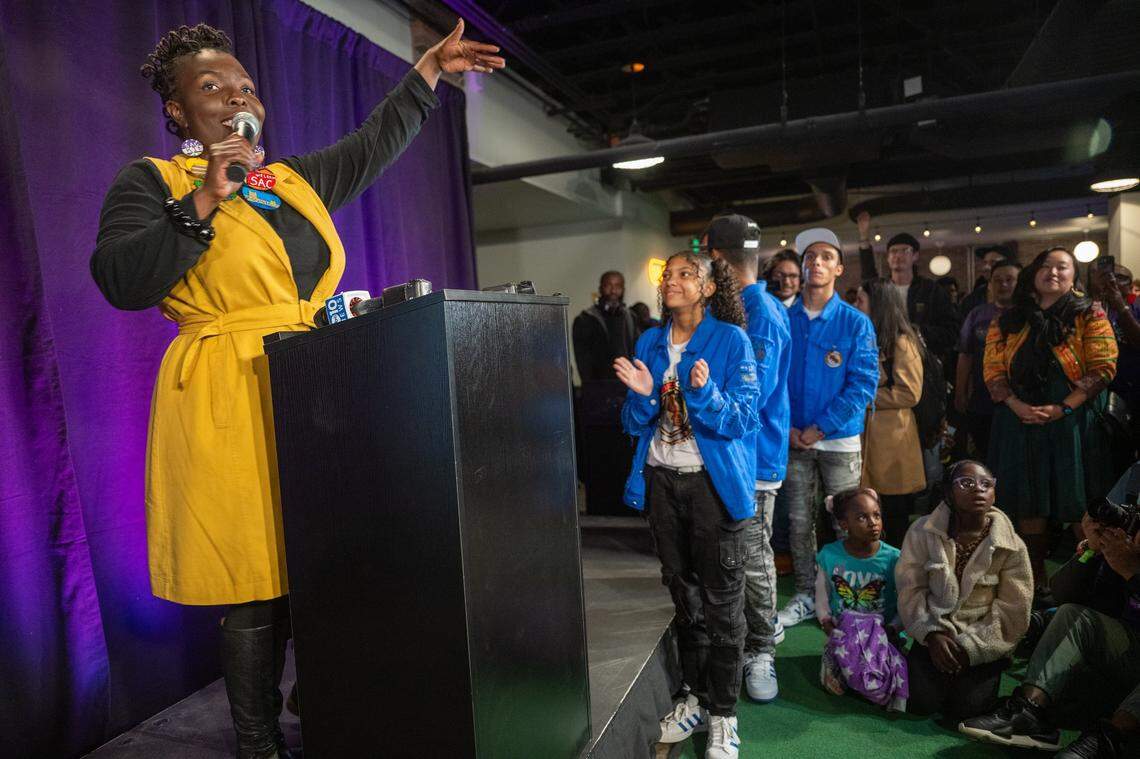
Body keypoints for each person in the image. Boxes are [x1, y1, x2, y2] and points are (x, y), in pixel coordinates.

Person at [89, 22, 503, 759]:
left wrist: (430, 71)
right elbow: (121, 278)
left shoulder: (287, 183)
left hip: (315, 386)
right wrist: (207, 200)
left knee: (324, 558)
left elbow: (373, 144)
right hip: (229, 393)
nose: (235, 96)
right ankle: (257, 741)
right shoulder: (156, 180)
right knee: (254, 574)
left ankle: (324, 700)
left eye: (244, 86)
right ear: (178, 112)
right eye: (210, 88)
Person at [615, 251, 759, 759]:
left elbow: (743, 419)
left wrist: (706, 394)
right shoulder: (650, 341)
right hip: (662, 484)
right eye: (667, 275)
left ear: (707, 287)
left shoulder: (731, 340)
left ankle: (724, 716)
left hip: (710, 489)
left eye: (684, 275)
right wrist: (645, 395)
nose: (671, 282)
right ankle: (695, 698)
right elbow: (637, 423)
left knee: (722, 608)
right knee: (685, 600)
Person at [983, 247, 1118, 590]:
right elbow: (993, 368)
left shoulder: (1090, 313)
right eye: (1046, 266)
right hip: (1020, 420)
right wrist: (1016, 405)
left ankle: (1092, 581)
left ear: (1074, 277)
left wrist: (1064, 407)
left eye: (1063, 267)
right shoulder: (1009, 318)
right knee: (1031, 499)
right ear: (1033, 274)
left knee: (1077, 499)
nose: (1054, 272)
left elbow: (1103, 367)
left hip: (1071, 422)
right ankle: (1035, 582)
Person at [959, 508, 1140, 756]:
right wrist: (1093, 551)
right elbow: (1064, 595)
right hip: (1127, 650)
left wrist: (1132, 573)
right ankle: (1030, 714)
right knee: (1070, 614)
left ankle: (1111, 739)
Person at [704, 214, 792, 703]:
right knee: (733, 559)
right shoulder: (731, 306)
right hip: (727, 456)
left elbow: (749, 397)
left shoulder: (761, 311)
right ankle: (743, 643)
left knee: (755, 560)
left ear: (717, 257)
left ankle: (762, 650)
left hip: (755, 460)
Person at [776, 228, 879, 630]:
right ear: (801, 267)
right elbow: (771, 382)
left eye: (824, 257)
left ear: (838, 268)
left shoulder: (855, 323)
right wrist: (786, 428)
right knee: (798, 522)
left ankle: (846, 595)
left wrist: (820, 427)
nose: (815, 263)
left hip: (838, 440)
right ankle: (805, 593)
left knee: (846, 521)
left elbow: (863, 384)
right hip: (792, 439)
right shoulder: (784, 319)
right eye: (809, 257)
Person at [896, 460, 1033, 721]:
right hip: (934, 636)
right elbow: (910, 589)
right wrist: (931, 634)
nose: (978, 489)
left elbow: (1014, 612)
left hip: (981, 644)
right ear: (948, 492)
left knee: (965, 711)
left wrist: (970, 648)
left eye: (986, 484)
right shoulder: (921, 531)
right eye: (966, 483)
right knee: (920, 703)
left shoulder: (1013, 547)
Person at [815, 488, 907, 711]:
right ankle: (835, 660)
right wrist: (826, 620)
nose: (873, 522)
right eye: (862, 517)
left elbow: (906, 600)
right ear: (844, 524)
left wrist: (894, 628)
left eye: (876, 515)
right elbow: (822, 592)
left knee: (887, 678)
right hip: (846, 634)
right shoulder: (830, 554)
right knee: (846, 674)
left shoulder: (893, 558)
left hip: (882, 634)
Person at [855, 278, 926, 549]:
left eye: (861, 300)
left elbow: (910, 393)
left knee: (894, 513)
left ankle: (900, 570)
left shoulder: (902, 342)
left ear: (879, 305)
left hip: (893, 439)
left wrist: (862, 397)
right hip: (869, 435)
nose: (855, 305)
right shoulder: (865, 336)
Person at [856, 211, 959, 359]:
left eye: (905, 251)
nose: (898, 255)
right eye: (893, 251)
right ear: (888, 258)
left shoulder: (930, 290)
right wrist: (864, 237)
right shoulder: (880, 289)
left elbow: (951, 331)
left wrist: (915, 332)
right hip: (885, 359)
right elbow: (867, 277)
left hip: (923, 360)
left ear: (915, 256)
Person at [954, 259, 1022, 461]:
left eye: (1010, 280)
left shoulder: (1030, 314)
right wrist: (960, 392)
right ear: (990, 284)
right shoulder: (978, 315)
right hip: (982, 400)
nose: (1004, 285)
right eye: (997, 280)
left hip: (1021, 400)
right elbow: (965, 354)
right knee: (985, 455)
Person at [573, 271, 641, 383]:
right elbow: (583, 362)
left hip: (629, 384)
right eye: (608, 285)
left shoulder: (631, 317)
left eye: (618, 286)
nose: (613, 291)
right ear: (600, 288)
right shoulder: (585, 319)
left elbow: (637, 350)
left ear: (623, 289)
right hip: (599, 388)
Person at [958, 245, 1014, 318]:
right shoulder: (973, 298)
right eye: (985, 263)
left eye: (992, 262)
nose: (986, 267)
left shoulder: (1020, 293)